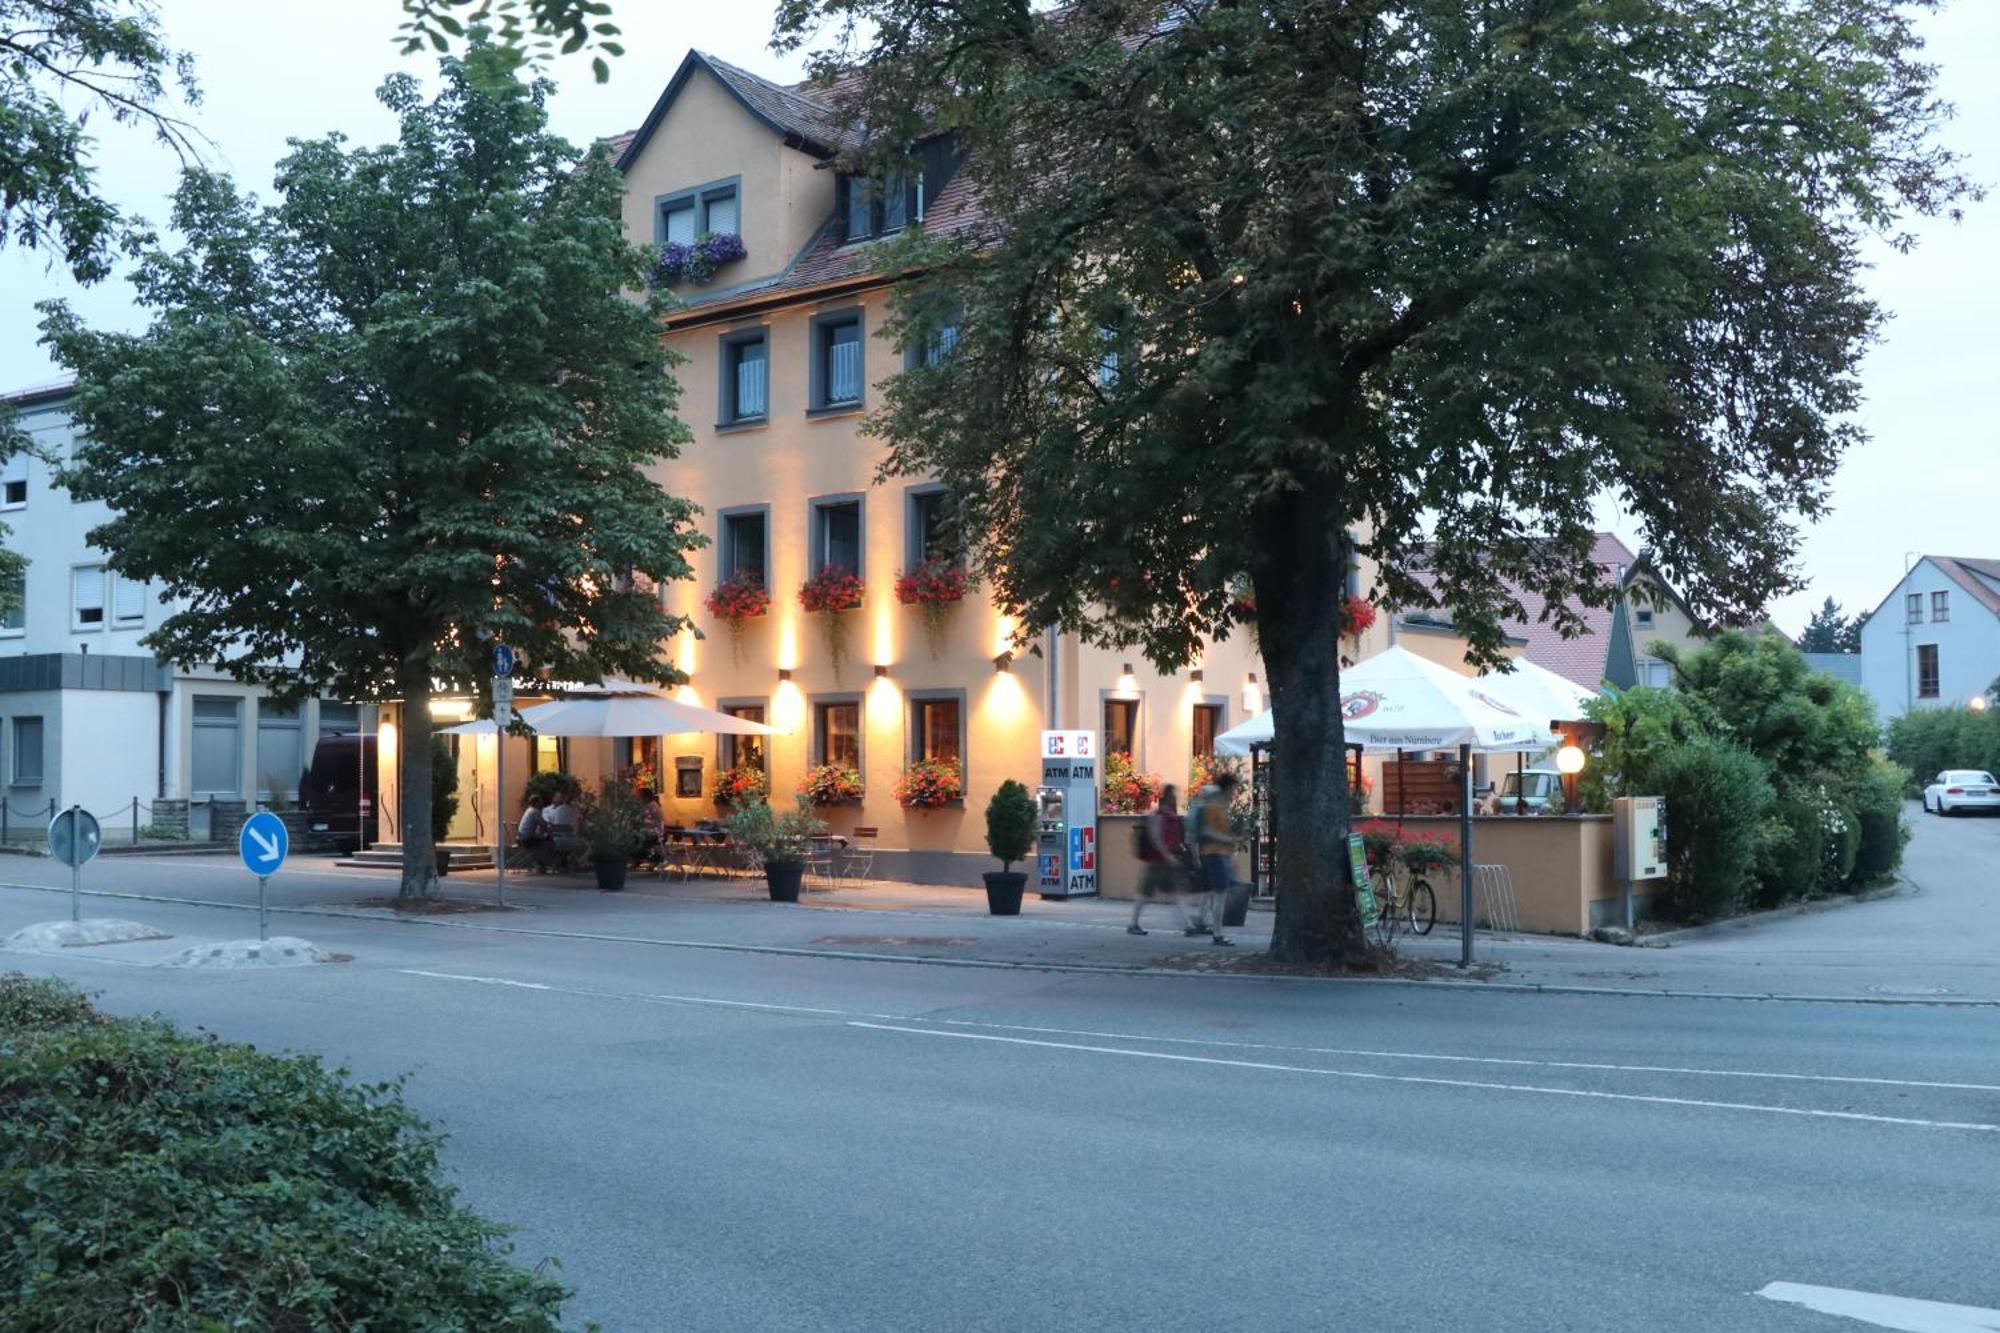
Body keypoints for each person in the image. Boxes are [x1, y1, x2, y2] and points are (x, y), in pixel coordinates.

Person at [1129, 785, 1194, 935]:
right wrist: (1168, 856)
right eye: (1174, 795)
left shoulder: (1169, 815)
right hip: (1159, 861)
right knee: (1147, 893)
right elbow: (1157, 839)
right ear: (1169, 798)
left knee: (1177, 892)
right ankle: (1133, 923)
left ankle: (1189, 925)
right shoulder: (1158, 816)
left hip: (1167, 859)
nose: (1176, 798)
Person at [1190, 770, 1238, 946]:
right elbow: (1207, 831)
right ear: (1227, 788)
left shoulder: (1220, 806)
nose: (1235, 791)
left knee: (1219, 895)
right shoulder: (1214, 806)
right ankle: (1218, 934)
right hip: (1214, 854)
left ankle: (1216, 931)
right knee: (1219, 895)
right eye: (1233, 788)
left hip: (1219, 854)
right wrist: (1228, 839)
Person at [516, 795, 551, 872]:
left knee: (541, 841)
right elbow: (544, 824)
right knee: (546, 843)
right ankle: (540, 864)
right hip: (526, 839)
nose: (541, 803)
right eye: (540, 802)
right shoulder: (534, 811)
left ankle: (538, 863)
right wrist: (549, 827)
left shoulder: (529, 810)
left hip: (521, 838)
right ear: (536, 803)